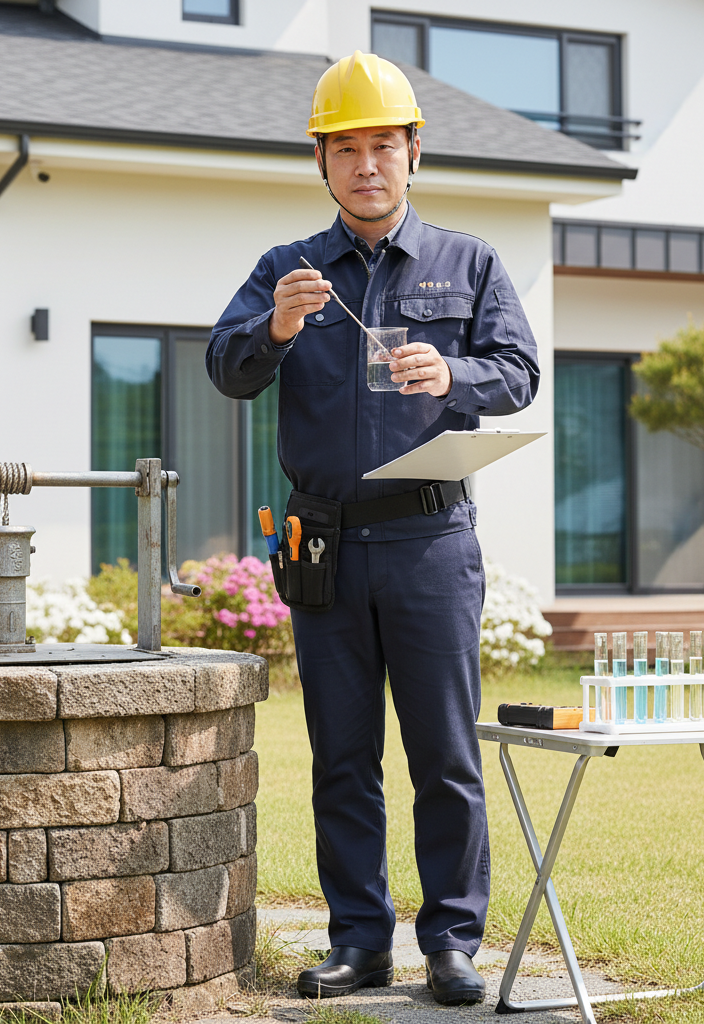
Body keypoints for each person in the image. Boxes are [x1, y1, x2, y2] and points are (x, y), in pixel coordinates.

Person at [206, 51, 539, 1006]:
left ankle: (452, 944)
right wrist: (273, 328)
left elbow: (519, 370)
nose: (365, 164)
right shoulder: (285, 271)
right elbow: (226, 371)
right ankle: (358, 940)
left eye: (381, 145)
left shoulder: (468, 262)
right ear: (321, 162)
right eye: (344, 147)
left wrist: (456, 378)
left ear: (413, 152)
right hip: (328, 549)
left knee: (444, 754)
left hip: (434, 544)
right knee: (342, 757)